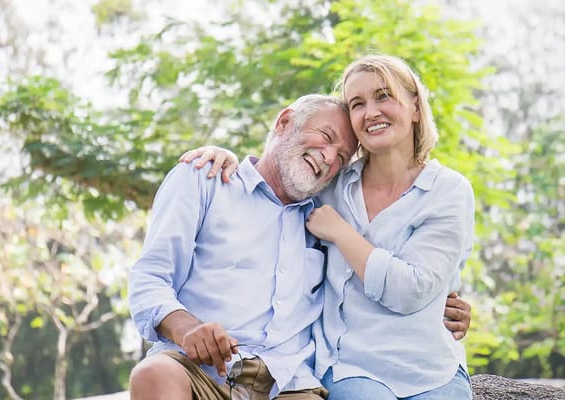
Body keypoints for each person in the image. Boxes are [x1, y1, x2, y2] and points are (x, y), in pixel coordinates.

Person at [182, 54, 475, 399]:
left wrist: (340, 232)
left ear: (414, 106)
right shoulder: (330, 186)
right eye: (357, 104)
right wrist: (227, 156)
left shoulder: (448, 190)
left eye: (383, 96)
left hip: (433, 367)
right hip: (351, 366)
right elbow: (271, 189)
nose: (371, 112)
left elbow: (411, 290)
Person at [128, 94, 358, 400]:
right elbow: (149, 277)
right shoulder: (205, 178)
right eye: (326, 137)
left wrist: (443, 299)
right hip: (198, 371)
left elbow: (389, 258)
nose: (329, 157)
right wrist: (187, 329)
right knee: (153, 374)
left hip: (287, 386)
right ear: (284, 122)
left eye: (341, 157)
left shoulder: (330, 218)